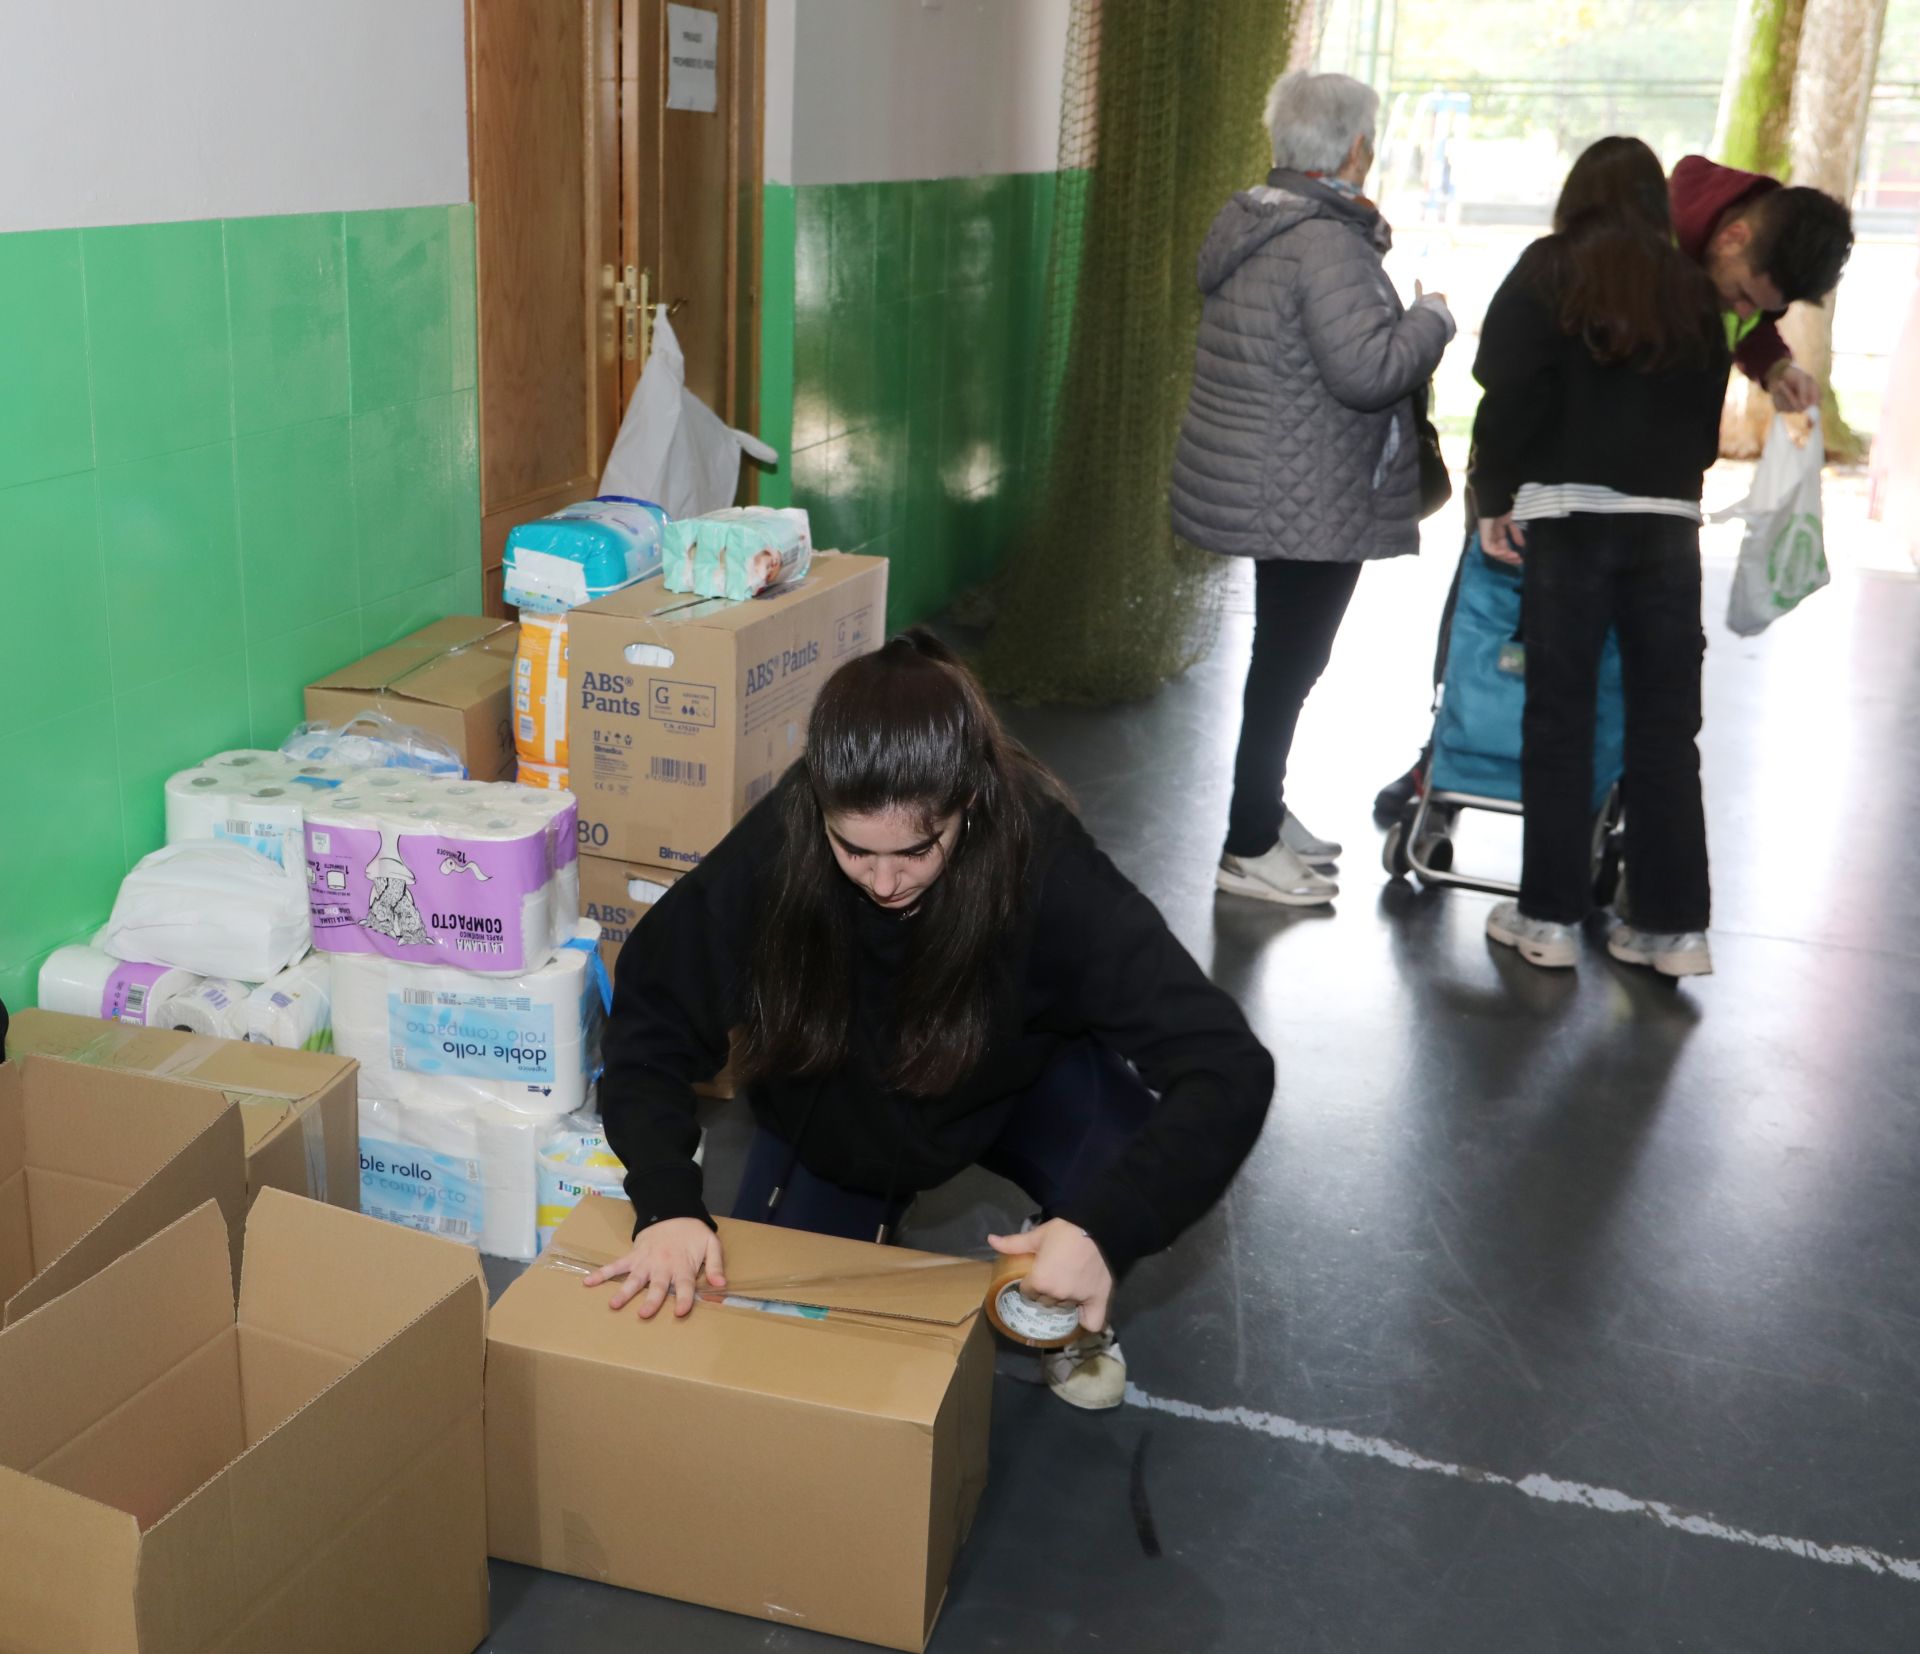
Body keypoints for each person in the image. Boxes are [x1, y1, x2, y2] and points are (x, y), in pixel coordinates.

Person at [586, 630, 1275, 1411]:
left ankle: (1057, 1262)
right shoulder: (783, 842)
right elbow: (650, 1017)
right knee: (782, 1348)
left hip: (1002, 1078)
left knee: (1123, 1156)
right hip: (834, 1106)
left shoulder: (1045, 860)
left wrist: (1105, 1230)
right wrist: (667, 1199)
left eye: (916, 849)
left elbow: (1229, 1068)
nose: (884, 882)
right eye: (854, 849)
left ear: (970, 801)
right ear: (819, 802)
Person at [1371, 152, 1855, 822]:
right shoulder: (1634, 245)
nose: (1739, 309)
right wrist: (1496, 489)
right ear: (1730, 237)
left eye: (1756, 307)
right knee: (1487, 619)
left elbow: (1746, 322)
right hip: (1548, 483)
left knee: (1600, 671)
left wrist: (1770, 364)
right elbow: (1520, 377)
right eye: (1744, 294)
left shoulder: (1736, 249)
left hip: (1640, 504)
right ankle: (1448, 761)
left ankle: (1601, 784)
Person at [1171, 69, 1455, 907]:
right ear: (1357, 147)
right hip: (1308, 495)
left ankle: (1262, 811)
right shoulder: (1327, 241)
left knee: (1283, 663)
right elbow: (1368, 372)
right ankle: (1247, 845)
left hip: (1277, 481)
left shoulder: (1260, 218)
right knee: (1287, 667)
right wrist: (1432, 317)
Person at [1469, 137, 1731, 976]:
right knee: (1666, 729)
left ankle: (1548, 915)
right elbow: (1704, 425)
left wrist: (1494, 495)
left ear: (1577, 194)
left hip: (1568, 520)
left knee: (1559, 718)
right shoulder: (1691, 286)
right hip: (1666, 526)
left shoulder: (1550, 268)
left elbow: (1504, 385)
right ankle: (1674, 927)